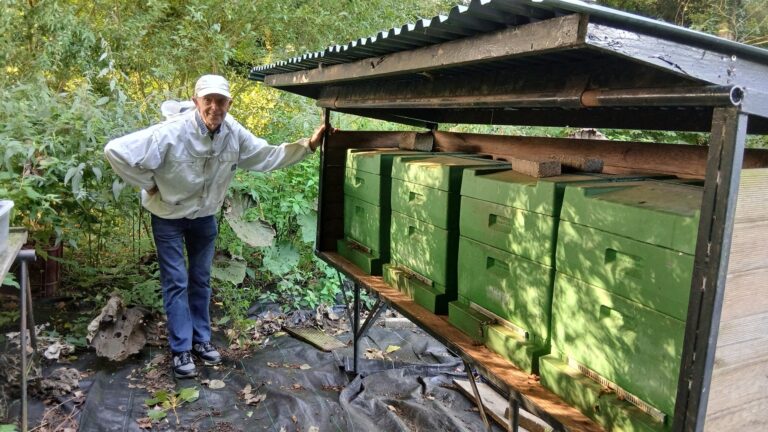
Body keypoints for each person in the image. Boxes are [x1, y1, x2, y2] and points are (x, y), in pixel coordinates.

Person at [105, 74, 326, 378]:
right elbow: (115, 151)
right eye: (207, 100)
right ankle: (181, 350)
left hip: (205, 217)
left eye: (220, 100)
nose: (214, 107)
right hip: (168, 216)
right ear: (196, 102)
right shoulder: (171, 133)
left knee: (201, 278)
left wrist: (309, 145)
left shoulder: (233, 133)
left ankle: (201, 339)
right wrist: (150, 183)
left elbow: (266, 156)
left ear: (229, 103)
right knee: (176, 281)